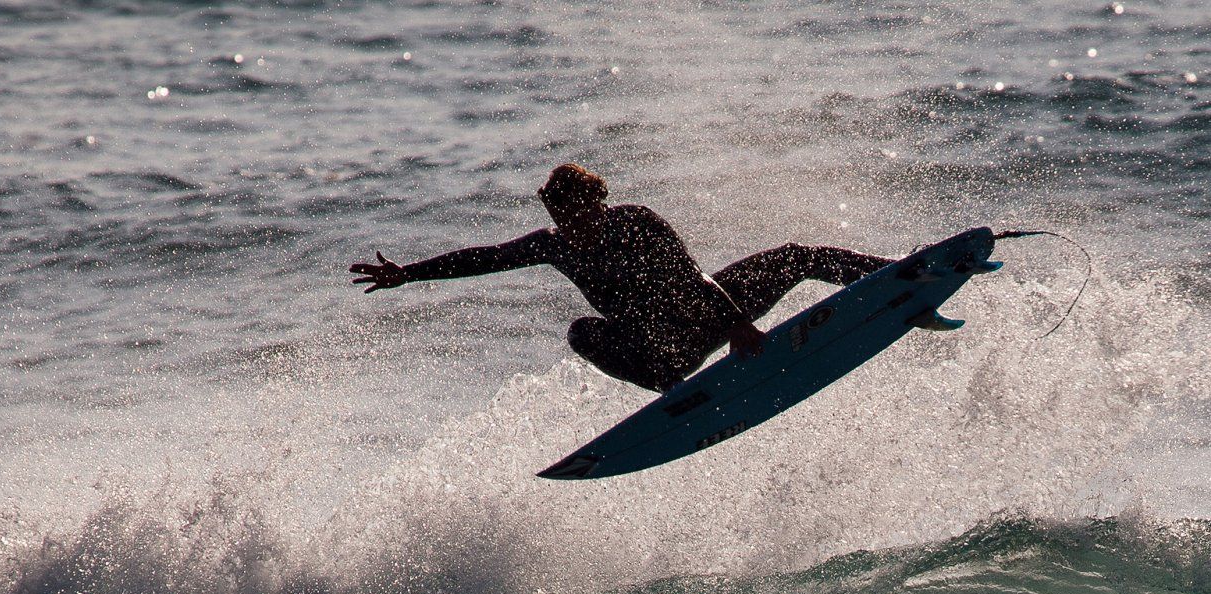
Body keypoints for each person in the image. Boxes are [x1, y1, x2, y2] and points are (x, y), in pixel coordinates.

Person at [349, 163, 894, 393]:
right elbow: (481, 258)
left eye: (582, 212)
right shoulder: (554, 246)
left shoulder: (637, 223)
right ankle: (672, 391)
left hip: (709, 313)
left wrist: (739, 329)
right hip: (660, 351)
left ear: (599, 202)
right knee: (581, 332)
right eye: (563, 216)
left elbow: (693, 279)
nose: (575, 224)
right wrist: (409, 274)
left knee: (795, 256)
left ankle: (897, 278)